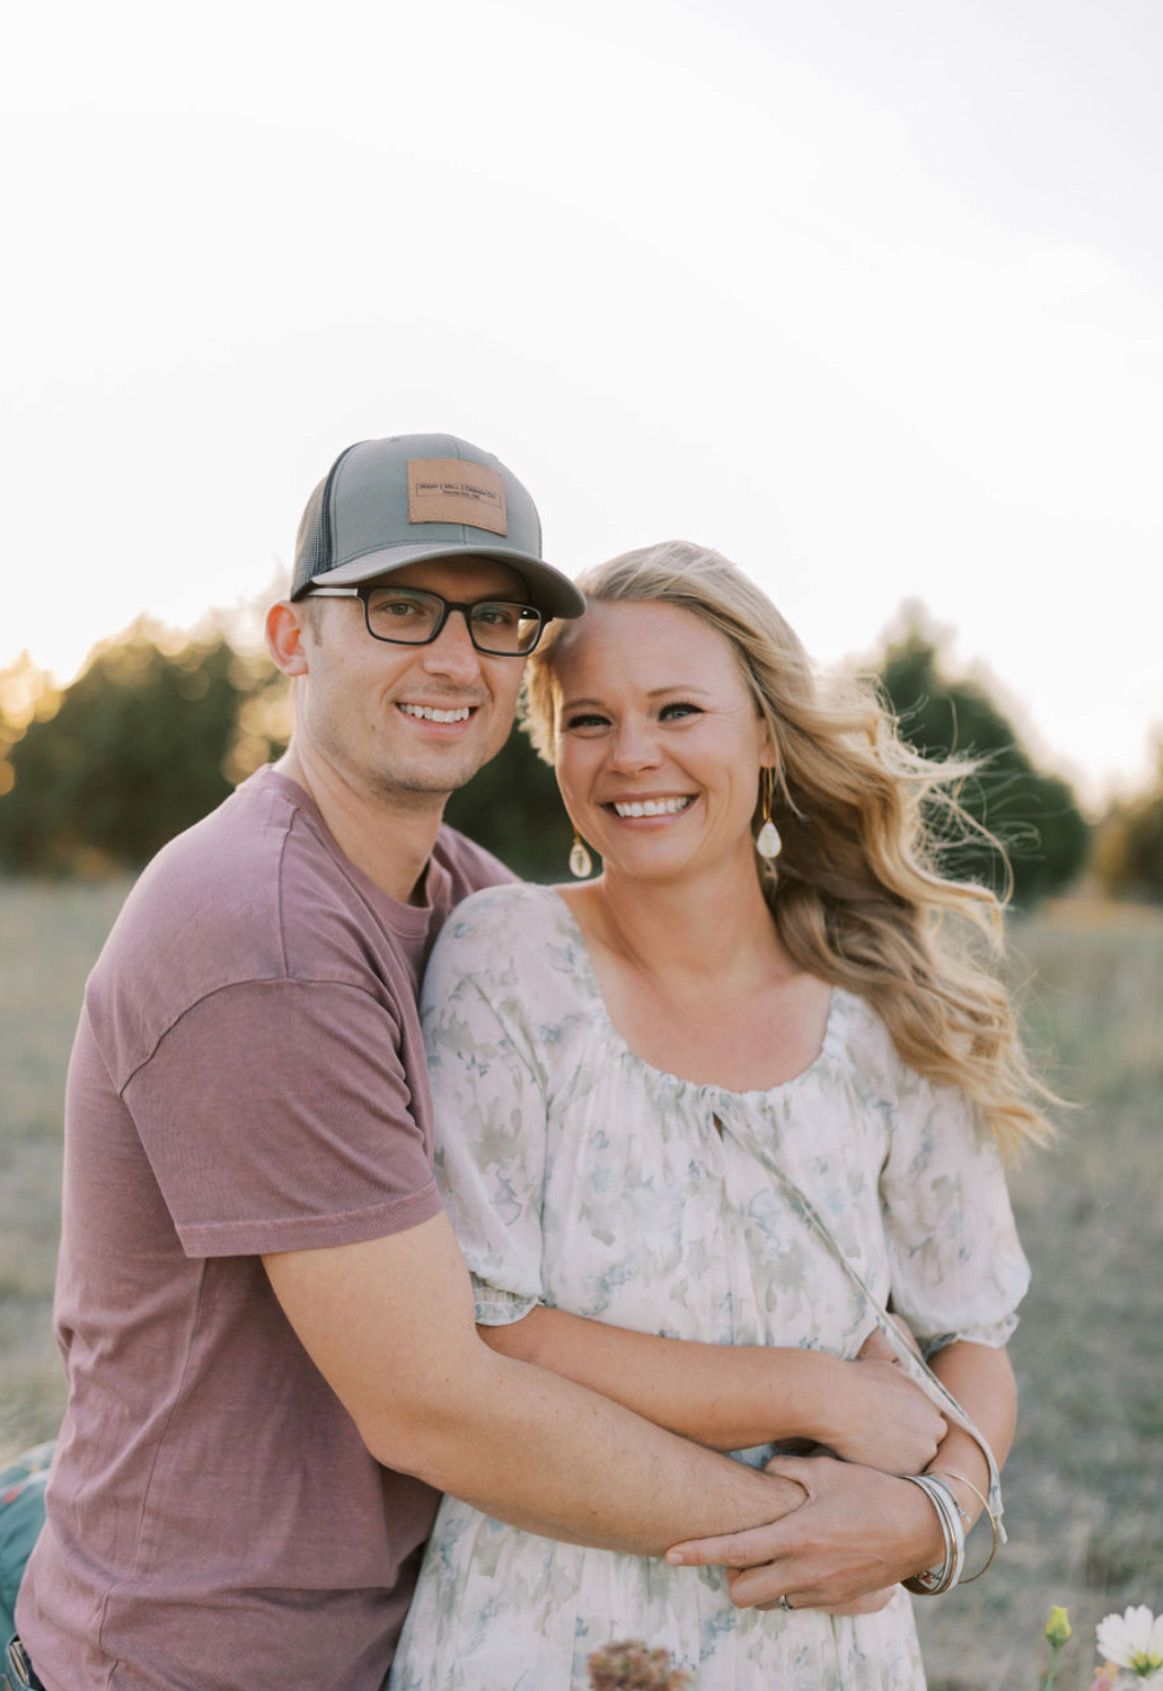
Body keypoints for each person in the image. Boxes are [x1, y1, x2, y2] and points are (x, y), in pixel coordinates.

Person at [10, 441, 942, 1691]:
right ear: (294, 635)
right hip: (215, 1652)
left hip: (411, 1627)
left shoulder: (464, 901)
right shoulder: (260, 936)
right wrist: (804, 1521)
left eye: (495, 619)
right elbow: (434, 1400)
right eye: (399, 607)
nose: (453, 657)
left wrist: (939, 1492)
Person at [389, 540, 1042, 1690]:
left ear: (763, 733)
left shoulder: (885, 1005)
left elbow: (970, 1340)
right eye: (586, 720)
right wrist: (816, 1390)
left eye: (677, 708)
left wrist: (935, 1514)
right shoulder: (509, 959)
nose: (630, 753)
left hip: (825, 1643)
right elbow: (491, 1333)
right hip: (539, 1631)